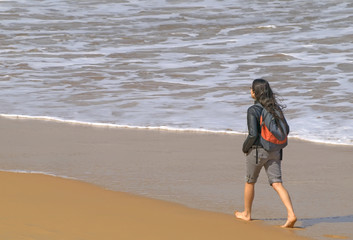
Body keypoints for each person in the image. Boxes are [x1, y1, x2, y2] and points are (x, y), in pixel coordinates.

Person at [234, 78, 297, 228]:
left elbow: (253, 135)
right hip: (275, 150)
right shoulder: (274, 108)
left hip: (257, 152)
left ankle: (247, 214)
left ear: (254, 93)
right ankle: (291, 214)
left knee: (250, 181)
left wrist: (245, 148)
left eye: (251, 89)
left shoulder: (253, 110)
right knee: (277, 183)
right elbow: (285, 129)